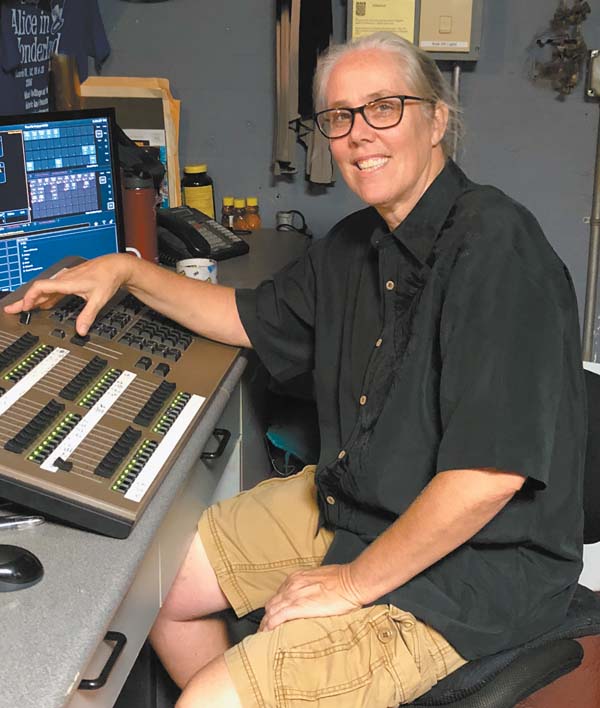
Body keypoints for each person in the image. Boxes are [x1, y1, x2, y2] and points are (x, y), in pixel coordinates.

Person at [5, 31, 585, 708]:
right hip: (363, 504)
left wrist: (352, 584)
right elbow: (244, 316)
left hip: (479, 572)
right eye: (339, 116)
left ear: (437, 119)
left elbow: (486, 479)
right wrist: (128, 272)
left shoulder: (497, 249)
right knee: (153, 586)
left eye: (384, 107)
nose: (359, 135)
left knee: (207, 703)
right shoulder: (355, 245)